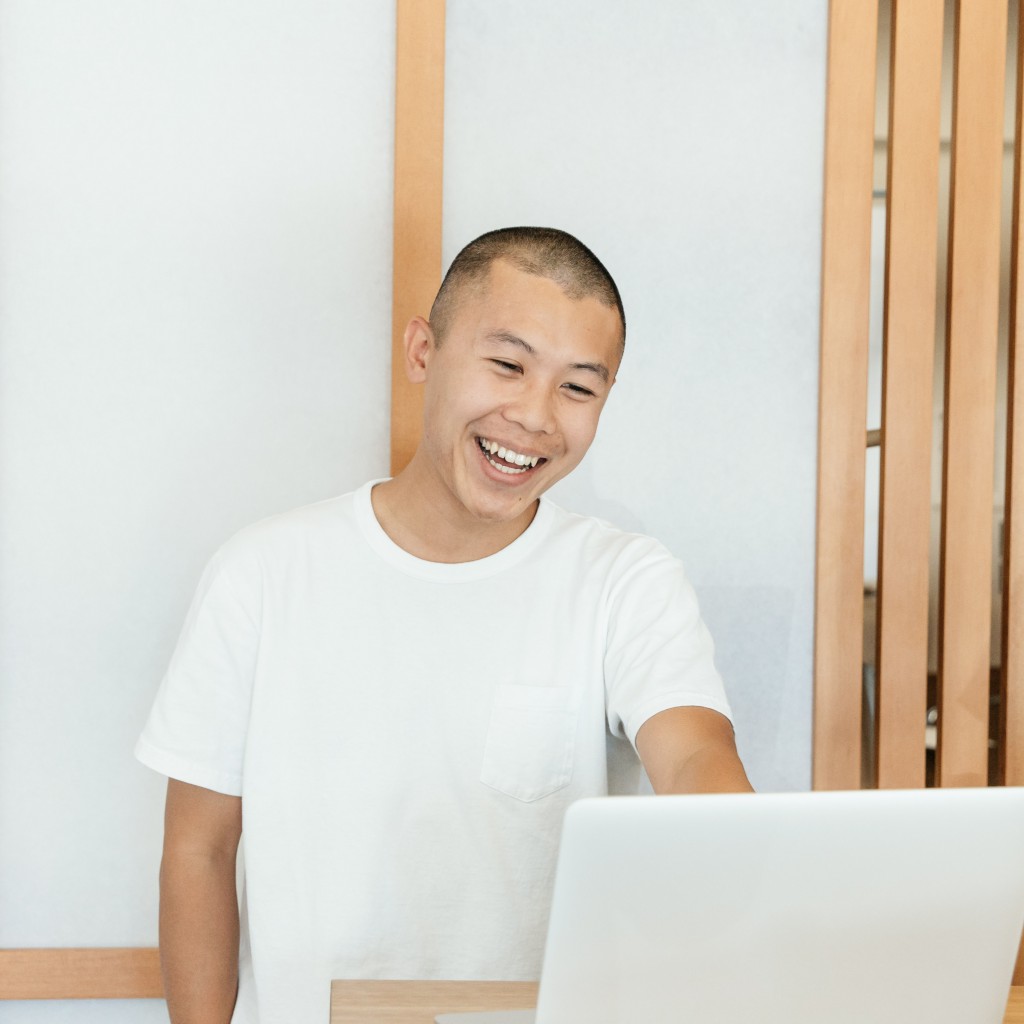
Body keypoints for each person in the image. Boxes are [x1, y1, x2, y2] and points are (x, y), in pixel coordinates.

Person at [135, 226, 752, 1024]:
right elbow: (199, 850)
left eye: (578, 388)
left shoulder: (624, 581)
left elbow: (698, 752)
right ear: (423, 352)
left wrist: (730, 846)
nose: (533, 416)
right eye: (507, 364)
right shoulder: (261, 572)